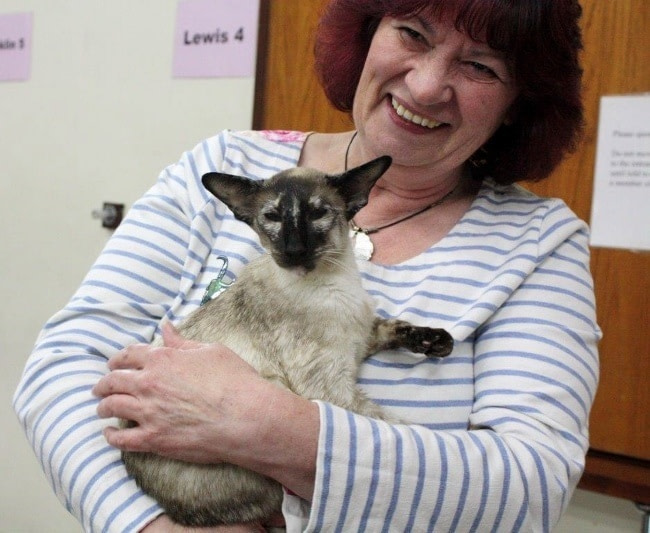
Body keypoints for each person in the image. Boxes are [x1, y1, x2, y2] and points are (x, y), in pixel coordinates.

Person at [14, 0, 600, 531]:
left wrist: (266, 427)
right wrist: (150, 527)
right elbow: (63, 367)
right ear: (367, 34)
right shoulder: (226, 165)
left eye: (479, 66)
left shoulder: (540, 244)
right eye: (413, 34)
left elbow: (532, 487)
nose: (425, 87)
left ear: (518, 102)